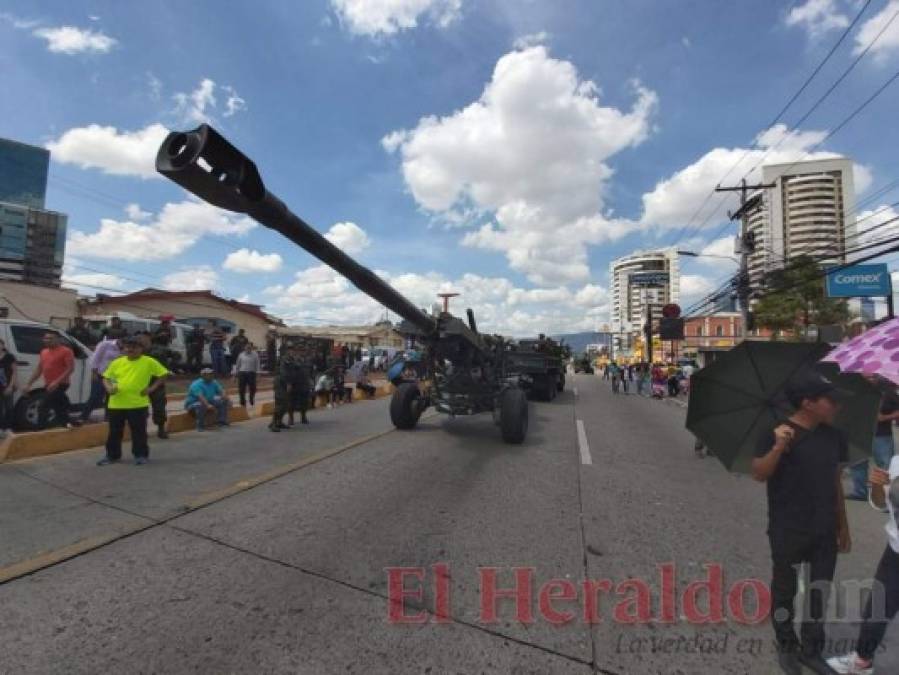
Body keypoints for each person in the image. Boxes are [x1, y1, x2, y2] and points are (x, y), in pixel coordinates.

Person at [751, 373, 850, 675]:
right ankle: (786, 645)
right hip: (788, 527)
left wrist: (842, 525)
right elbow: (759, 473)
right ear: (807, 403)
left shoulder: (835, 436)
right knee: (785, 590)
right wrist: (779, 446)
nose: (837, 405)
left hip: (823, 528)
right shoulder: (775, 433)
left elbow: (835, 483)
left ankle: (811, 649)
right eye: (829, 400)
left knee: (820, 590)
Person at [827, 461, 899, 674]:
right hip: (895, 551)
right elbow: (882, 504)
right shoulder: (897, 460)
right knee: (878, 607)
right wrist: (878, 486)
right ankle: (861, 662)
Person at [98, 337, 168, 466]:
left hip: (137, 404)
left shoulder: (149, 362)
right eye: (128, 347)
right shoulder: (117, 362)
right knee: (114, 432)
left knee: (139, 431)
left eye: (135, 347)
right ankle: (112, 455)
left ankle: (140, 455)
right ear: (124, 348)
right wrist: (108, 387)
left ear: (141, 349)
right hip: (116, 404)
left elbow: (163, 374)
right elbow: (106, 378)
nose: (131, 349)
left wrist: (152, 388)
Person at [848, 375, 899, 501]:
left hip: (881, 434)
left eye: (873, 376)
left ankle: (887, 496)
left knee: (885, 464)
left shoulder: (888, 390)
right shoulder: (852, 388)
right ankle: (860, 492)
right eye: (866, 376)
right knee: (857, 463)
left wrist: (885, 417)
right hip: (859, 432)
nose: (870, 379)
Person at [26, 332, 78, 429]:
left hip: (61, 384)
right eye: (45, 338)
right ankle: (68, 424)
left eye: (50, 338)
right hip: (49, 384)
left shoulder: (66, 351)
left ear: (58, 339)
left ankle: (40, 430)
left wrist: (56, 382)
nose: (47, 340)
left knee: (43, 405)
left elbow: (70, 368)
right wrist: (29, 384)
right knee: (58, 407)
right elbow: (39, 369)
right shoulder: (44, 352)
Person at [81, 337, 121, 423]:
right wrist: (94, 372)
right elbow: (95, 358)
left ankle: (108, 417)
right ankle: (84, 416)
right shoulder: (105, 345)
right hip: (100, 374)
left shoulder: (125, 349)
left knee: (110, 398)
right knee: (95, 397)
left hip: (113, 377)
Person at [145, 338, 172, 439]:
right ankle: (142, 430)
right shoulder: (135, 353)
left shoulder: (159, 350)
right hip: (141, 383)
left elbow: (174, 356)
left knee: (160, 407)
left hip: (157, 382)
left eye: (145, 338)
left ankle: (161, 429)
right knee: (141, 409)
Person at [0, 339, 17, 433]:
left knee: (9, 408)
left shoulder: (10, 357)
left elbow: (14, 372)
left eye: (0, 344)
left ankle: (8, 427)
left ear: (3, 345)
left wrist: (11, 386)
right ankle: (1, 427)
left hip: (7, 386)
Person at [236, 342, 260, 407]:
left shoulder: (255, 354)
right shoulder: (241, 355)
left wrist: (258, 374)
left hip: (251, 373)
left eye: (249, 347)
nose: (248, 348)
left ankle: (251, 398)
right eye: (247, 347)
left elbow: (257, 364)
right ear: (244, 347)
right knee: (241, 389)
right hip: (242, 373)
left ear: (251, 347)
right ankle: (242, 401)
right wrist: (236, 374)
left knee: (253, 388)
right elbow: (238, 365)